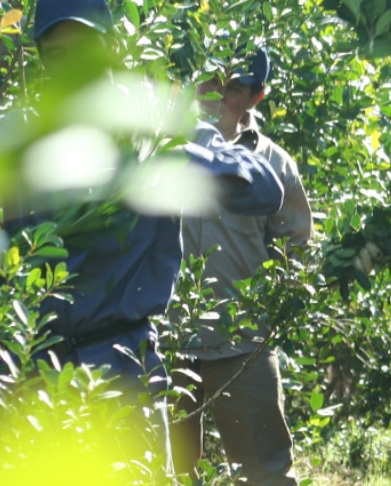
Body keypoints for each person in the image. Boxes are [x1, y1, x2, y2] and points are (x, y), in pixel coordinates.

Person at [0, 0, 284, 390]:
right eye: (57, 57)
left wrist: (167, 156)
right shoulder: (21, 133)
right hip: (33, 362)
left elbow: (265, 189)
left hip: (125, 365)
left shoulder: (157, 125)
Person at [172, 46, 311, 486]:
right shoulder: (162, 150)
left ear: (255, 97)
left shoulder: (273, 164)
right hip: (164, 342)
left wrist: (270, 314)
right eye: (210, 80)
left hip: (241, 346)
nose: (213, 94)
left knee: (264, 473)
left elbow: (297, 248)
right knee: (161, 473)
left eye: (231, 87)